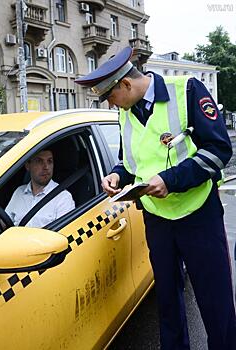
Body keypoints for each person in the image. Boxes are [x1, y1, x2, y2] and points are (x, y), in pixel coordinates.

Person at [75, 47, 236, 350]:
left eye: (110, 96)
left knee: (216, 302)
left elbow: (217, 151)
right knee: (167, 301)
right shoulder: (125, 113)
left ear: (126, 85)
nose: (111, 104)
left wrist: (171, 180)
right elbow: (131, 161)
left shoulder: (186, 90)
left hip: (198, 214)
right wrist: (116, 176)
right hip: (157, 219)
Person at [5, 149, 75, 228]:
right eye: (39, 161)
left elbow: (64, 234)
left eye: (49, 161)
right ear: (28, 166)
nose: (46, 167)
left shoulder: (63, 198)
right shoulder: (19, 192)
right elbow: (4, 224)